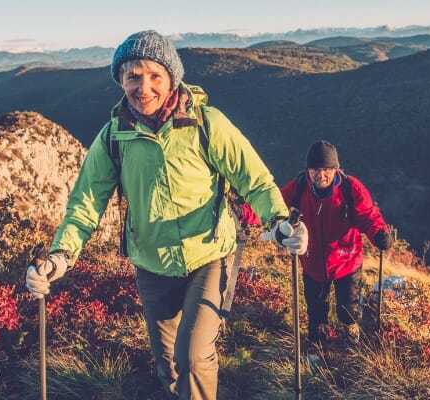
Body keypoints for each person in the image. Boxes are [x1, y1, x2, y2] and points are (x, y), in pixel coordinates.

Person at [25, 30, 307, 400]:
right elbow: (85, 205)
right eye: (133, 76)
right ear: (121, 81)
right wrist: (60, 256)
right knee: (169, 364)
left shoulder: (207, 124)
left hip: (209, 255)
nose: (144, 87)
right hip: (152, 265)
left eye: (154, 75)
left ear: (172, 77)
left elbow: (253, 180)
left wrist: (279, 221)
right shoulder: (114, 137)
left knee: (192, 356)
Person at [279, 140, 393, 344]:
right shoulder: (299, 187)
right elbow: (274, 204)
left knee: (347, 309)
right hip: (312, 261)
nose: (320, 175)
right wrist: (245, 213)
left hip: (346, 262)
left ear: (336, 169)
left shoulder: (351, 188)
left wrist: (379, 234)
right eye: (315, 169)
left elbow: (368, 214)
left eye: (326, 170)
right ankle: (318, 346)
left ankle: (351, 331)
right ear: (308, 170)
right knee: (316, 312)